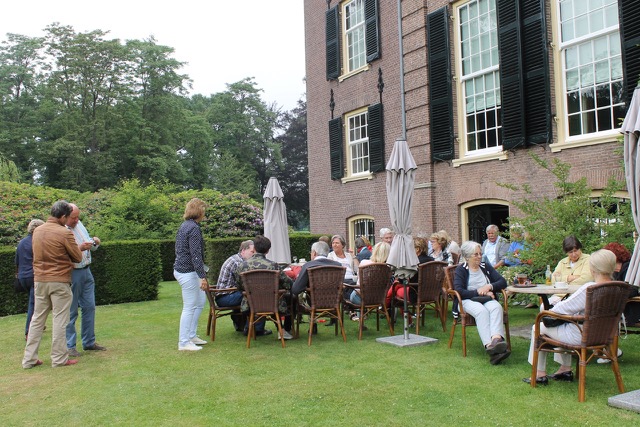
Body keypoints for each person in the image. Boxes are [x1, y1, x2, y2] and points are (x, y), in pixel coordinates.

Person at [523, 249, 617, 385]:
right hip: (605, 335)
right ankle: (564, 370)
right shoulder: (618, 288)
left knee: (538, 326)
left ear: (592, 269)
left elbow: (561, 308)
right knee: (563, 324)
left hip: (581, 335)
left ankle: (539, 374)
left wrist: (550, 310)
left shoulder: (590, 289)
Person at [22, 200, 84, 368]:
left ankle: (29, 359)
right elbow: (78, 257)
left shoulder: (37, 231)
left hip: (39, 280)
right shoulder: (64, 233)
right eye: (68, 217)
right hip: (59, 281)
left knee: (37, 319)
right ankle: (59, 358)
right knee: (60, 319)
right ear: (63, 216)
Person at [453, 240, 510, 365]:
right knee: (481, 311)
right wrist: (479, 292)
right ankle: (490, 347)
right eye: (476, 254)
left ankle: (496, 340)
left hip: (486, 298)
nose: (480, 256)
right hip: (467, 300)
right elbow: (459, 291)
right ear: (467, 257)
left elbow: (502, 282)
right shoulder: (461, 270)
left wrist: (489, 286)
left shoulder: (485, 266)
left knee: (496, 307)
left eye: (480, 253)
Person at [65, 204, 106, 357]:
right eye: (73, 218)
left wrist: (94, 243)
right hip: (73, 272)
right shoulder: (62, 230)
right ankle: (69, 346)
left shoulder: (79, 225)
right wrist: (80, 248)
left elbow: (89, 245)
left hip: (86, 270)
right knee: (71, 310)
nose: (76, 220)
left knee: (89, 307)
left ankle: (89, 342)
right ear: (64, 216)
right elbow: (63, 253)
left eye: (78, 217)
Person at [235, 235, 293, 340]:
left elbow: (239, 286)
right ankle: (284, 330)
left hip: (250, 305)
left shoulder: (242, 266)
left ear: (254, 248)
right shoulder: (274, 266)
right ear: (268, 250)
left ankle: (250, 329)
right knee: (291, 297)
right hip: (273, 303)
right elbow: (288, 284)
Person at [173, 198, 209, 351]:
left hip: (185, 270)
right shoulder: (193, 228)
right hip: (187, 272)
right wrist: (202, 276)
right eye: (203, 210)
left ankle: (191, 335)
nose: (204, 214)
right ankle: (183, 342)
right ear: (199, 211)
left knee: (200, 301)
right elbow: (195, 255)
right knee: (189, 307)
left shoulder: (185, 226)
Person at [215, 240, 255, 332]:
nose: (254, 255)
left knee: (250, 294)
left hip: (225, 295)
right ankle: (253, 329)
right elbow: (244, 284)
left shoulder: (236, 259)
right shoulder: (238, 262)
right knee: (254, 296)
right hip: (225, 297)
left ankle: (241, 324)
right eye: (252, 252)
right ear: (243, 250)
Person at [15, 219, 45, 340]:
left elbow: (17, 261)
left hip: (23, 277)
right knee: (34, 303)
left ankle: (39, 325)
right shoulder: (36, 242)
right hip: (33, 275)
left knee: (34, 301)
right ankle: (29, 331)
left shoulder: (21, 243)